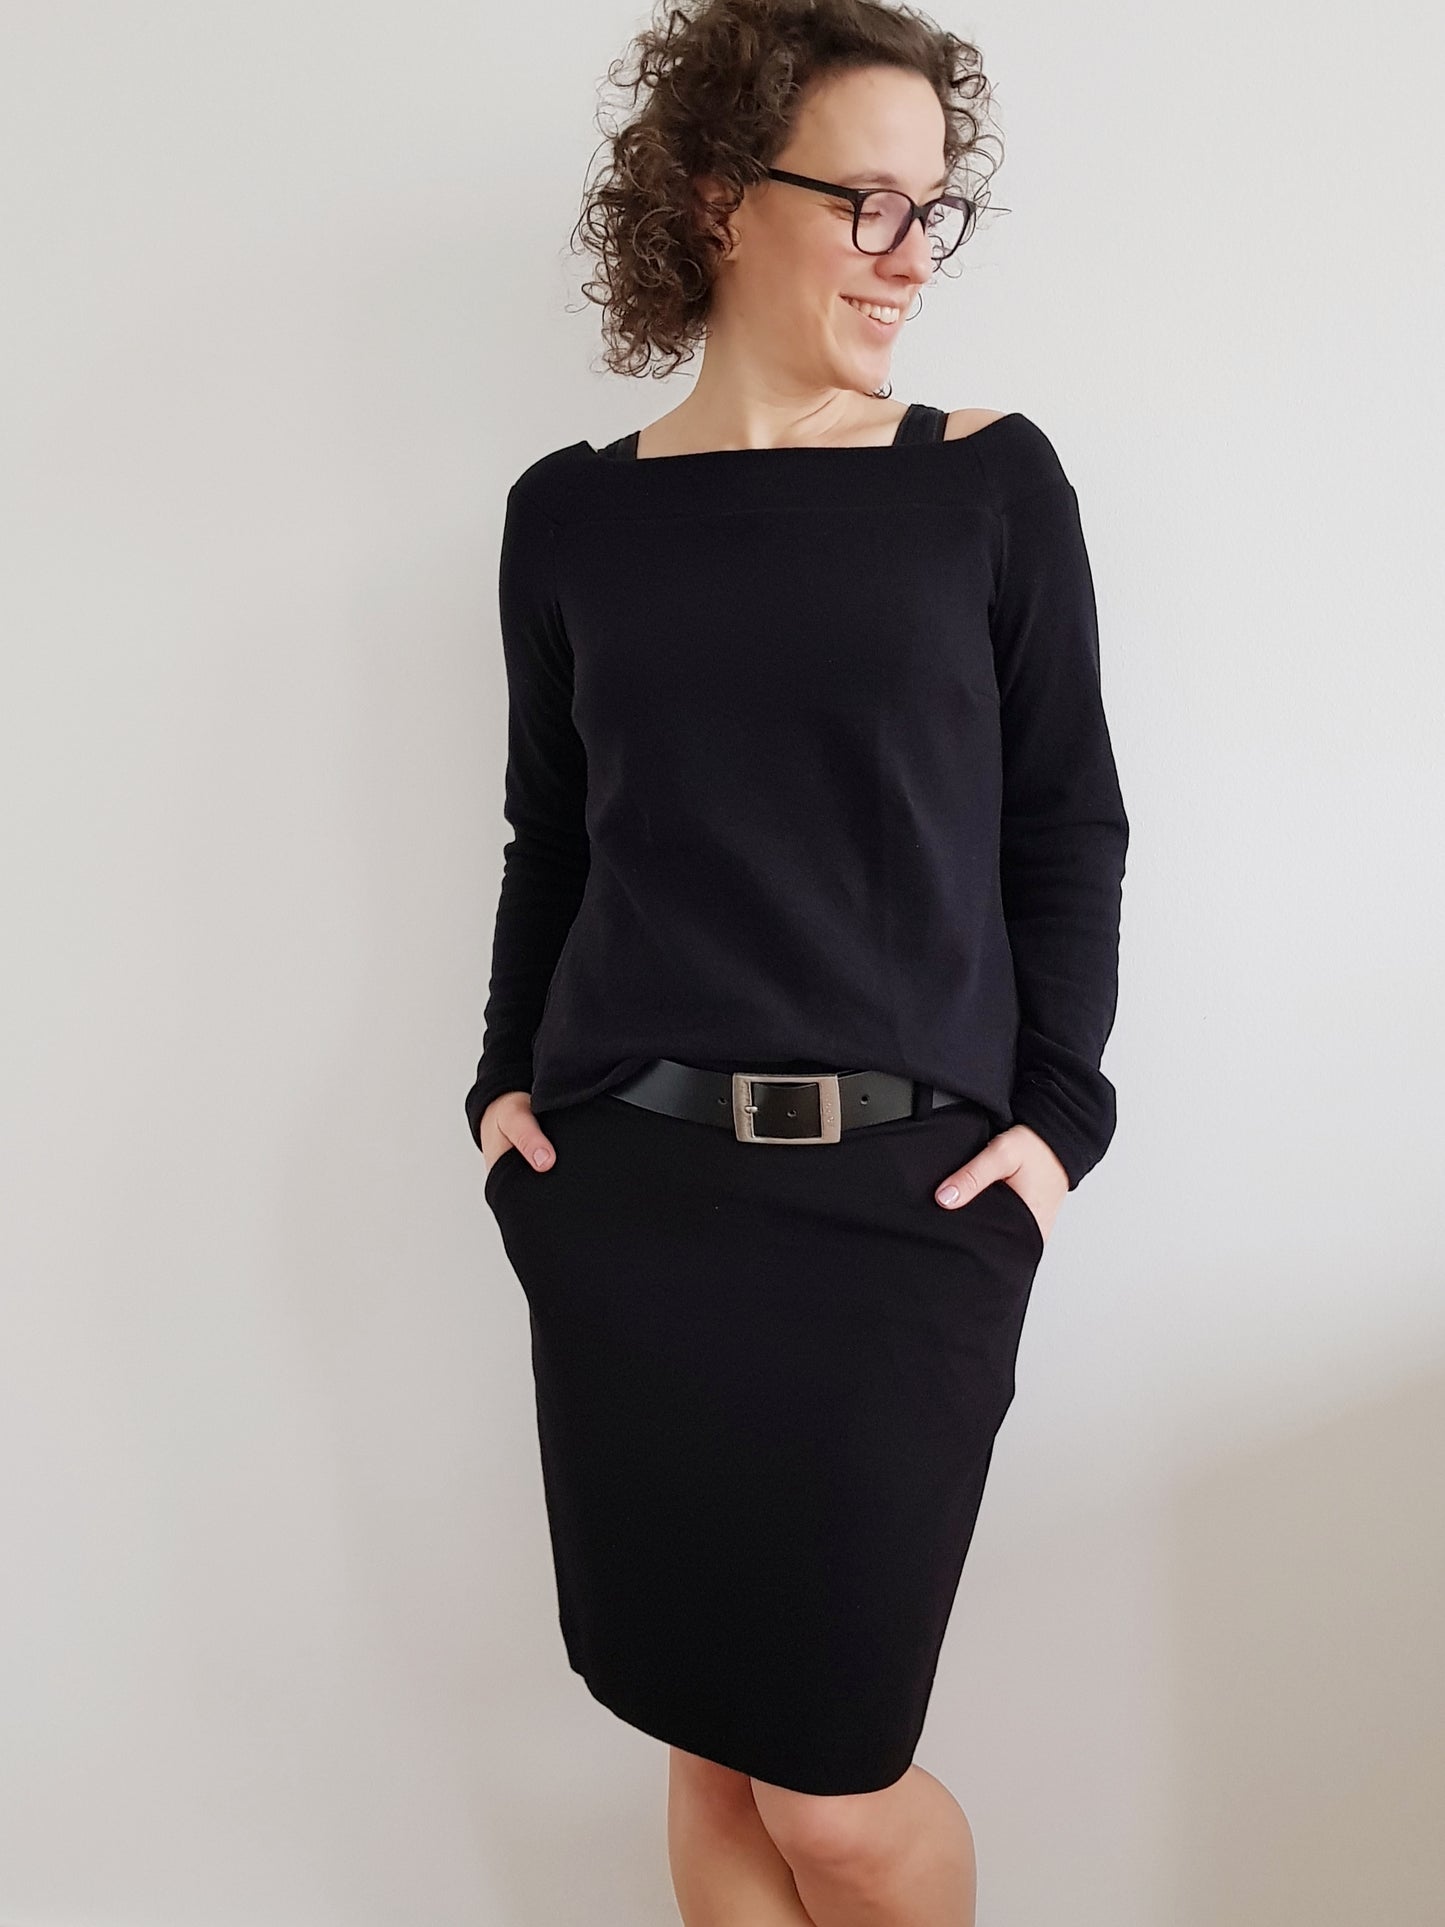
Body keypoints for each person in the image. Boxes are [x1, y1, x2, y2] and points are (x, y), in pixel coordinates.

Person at [463, 2, 1129, 1920]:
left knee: (833, 1793)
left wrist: (1056, 1126)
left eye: (933, 209)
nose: (910, 254)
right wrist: (503, 1094)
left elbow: (1064, 827)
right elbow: (555, 838)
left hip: (905, 1211)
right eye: (863, 200)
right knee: (711, 1743)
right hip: (632, 1205)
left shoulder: (986, 484)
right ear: (712, 200)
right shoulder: (569, 514)